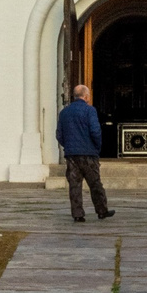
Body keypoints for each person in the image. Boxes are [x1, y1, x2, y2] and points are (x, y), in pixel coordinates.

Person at [57, 83, 113, 221]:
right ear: (86, 96)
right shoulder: (90, 110)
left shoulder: (64, 112)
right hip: (88, 153)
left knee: (74, 185)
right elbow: (95, 131)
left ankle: (77, 215)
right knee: (95, 184)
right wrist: (97, 147)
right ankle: (102, 210)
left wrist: (68, 146)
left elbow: (59, 134)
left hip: (71, 155)